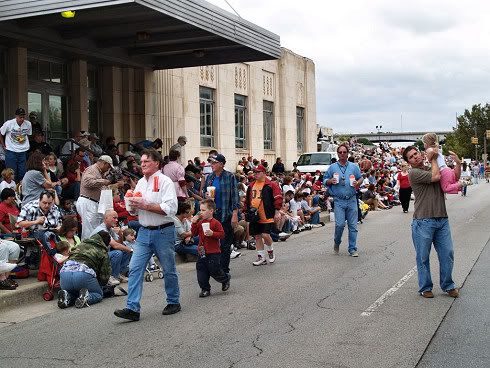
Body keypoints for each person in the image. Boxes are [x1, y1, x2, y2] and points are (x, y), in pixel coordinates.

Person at [114, 148, 180, 322]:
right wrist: (133, 207)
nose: (142, 164)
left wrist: (144, 205)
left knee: (168, 268)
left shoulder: (165, 181)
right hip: (143, 232)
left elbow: (171, 209)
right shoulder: (141, 183)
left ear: (156, 163)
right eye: (141, 162)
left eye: (146, 161)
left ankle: (173, 301)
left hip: (164, 231)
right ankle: (132, 308)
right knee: (135, 268)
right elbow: (137, 212)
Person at [403, 145, 459, 299]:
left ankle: (448, 285)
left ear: (421, 154)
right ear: (409, 162)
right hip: (423, 221)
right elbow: (436, 177)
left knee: (447, 253)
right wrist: (433, 157)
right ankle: (425, 287)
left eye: (416, 154)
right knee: (423, 257)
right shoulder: (413, 173)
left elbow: (453, 177)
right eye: (411, 157)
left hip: (442, 218)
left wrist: (458, 164)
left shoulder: (433, 167)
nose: (415, 157)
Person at [203, 153, 239, 276]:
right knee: (213, 243)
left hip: (226, 214)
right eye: (211, 163)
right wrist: (207, 196)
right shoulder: (210, 178)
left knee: (224, 244)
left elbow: (235, 197)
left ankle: (224, 270)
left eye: (214, 163)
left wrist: (235, 214)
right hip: (213, 215)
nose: (212, 165)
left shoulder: (230, 177)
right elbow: (205, 194)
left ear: (222, 164)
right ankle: (215, 268)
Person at [324, 143, 363, 257]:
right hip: (339, 201)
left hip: (351, 199)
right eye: (340, 152)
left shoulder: (354, 167)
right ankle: (337, 242)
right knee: (340, 225)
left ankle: (352, 248)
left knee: (353, 226)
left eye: (344, 152)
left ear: (347, 153)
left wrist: (357, 183)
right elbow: (325, 180)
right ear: (337, 154)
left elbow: (360, 178)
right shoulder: (332, 167)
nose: (342, 154)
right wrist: (330, 181)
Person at [57, 231, 112, 309]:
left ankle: (67, 296)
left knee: (75, 293)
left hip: (65, 273)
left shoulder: (80, 244)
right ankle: (86, 297)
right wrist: (101, 285)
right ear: (105, 243)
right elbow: (105, 275)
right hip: (83, 273)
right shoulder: (102, 251)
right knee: (98, 294)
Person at [191, 199, 230, 297]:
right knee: (201, 270)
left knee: (214, 269)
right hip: (202, 251)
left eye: (203, 210)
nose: (201, 213)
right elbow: (194, 233)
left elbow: (222, 234)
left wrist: (213, 233)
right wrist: (194, 223)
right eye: (200, 210)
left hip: (213, 251)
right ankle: (205, 289)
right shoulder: (200, 222)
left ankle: (225, 279)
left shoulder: (215, 223)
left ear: (211, 211)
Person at [245, 164, 282, 266]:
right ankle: (261, 257)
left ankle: (270, 252)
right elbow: (248, 200)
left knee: (265, 235)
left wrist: (277, 211)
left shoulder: (271, 184)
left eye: (258, 172)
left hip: (266, 213)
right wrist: (246, 211)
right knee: (257, 236)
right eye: (255, 172)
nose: (255, 174)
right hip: (254, 215)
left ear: (264, 173)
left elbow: (278, 198)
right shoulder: (251, 185)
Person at [76, 155, 118, 239]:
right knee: (89, 230)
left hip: (92, 202)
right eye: (108, 166)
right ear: (104, 163)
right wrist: (103, 181)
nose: (108, 169)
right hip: (87, 201)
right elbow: (87, 182)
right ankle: (86, 250)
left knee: (93, 228)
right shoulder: (92, 169)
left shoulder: (98, 171)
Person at [90, 209, 133, 286]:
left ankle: (119, 274)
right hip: (95, 258)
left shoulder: (110, 228)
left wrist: (120, 234)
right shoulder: (102, 230)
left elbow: (119, 243)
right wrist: (131, 250)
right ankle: (111, 276)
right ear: (106, 218)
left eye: (117, 218)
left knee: (124, 250)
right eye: (114, 218)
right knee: (118, 253)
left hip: (104, 255)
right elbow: (115, 246)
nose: (116, 220)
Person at [0, 107, 32, 181]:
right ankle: (11, 190)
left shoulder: (28, 124)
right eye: (20, 117)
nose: (22, 119)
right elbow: (1, 134)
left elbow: (29, 135)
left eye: (23, 117)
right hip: (11, 151)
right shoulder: (9, 123)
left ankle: (20, 190)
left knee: (22, 173)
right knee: (10, 173)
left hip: (23, 151)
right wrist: (3, 145)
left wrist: (26, 144)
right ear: (16, 116)